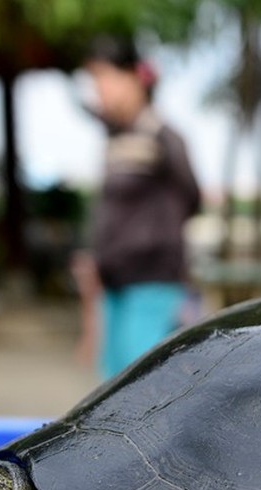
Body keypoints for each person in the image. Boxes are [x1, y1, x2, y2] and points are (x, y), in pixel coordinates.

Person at [79, 36, 202, 379]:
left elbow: (192, 198)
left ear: (134, 77)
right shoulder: (115, 139)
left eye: (104, 79)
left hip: (151, 282)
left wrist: (150, 240)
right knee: (108, 388)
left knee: (139, 386)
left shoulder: (164, 137)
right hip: (113, 283)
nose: (98, 91)